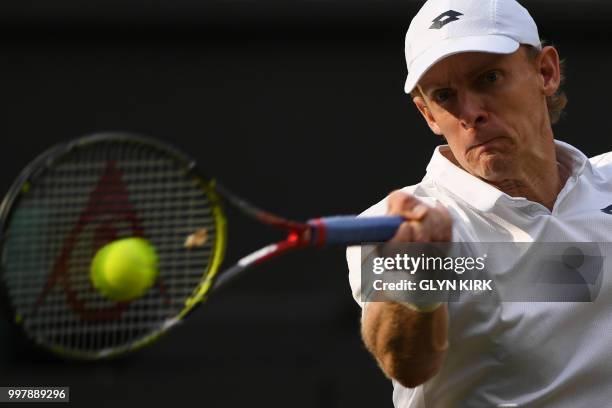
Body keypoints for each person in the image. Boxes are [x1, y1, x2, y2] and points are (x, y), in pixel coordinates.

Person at [346, 0, 612, 406]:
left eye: (489, 78)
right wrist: (419, 272)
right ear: (428, 115)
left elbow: (576, 275)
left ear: (546, 72)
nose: (470, 112)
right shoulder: (390, 224)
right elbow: (408, 364)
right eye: (445, 96)